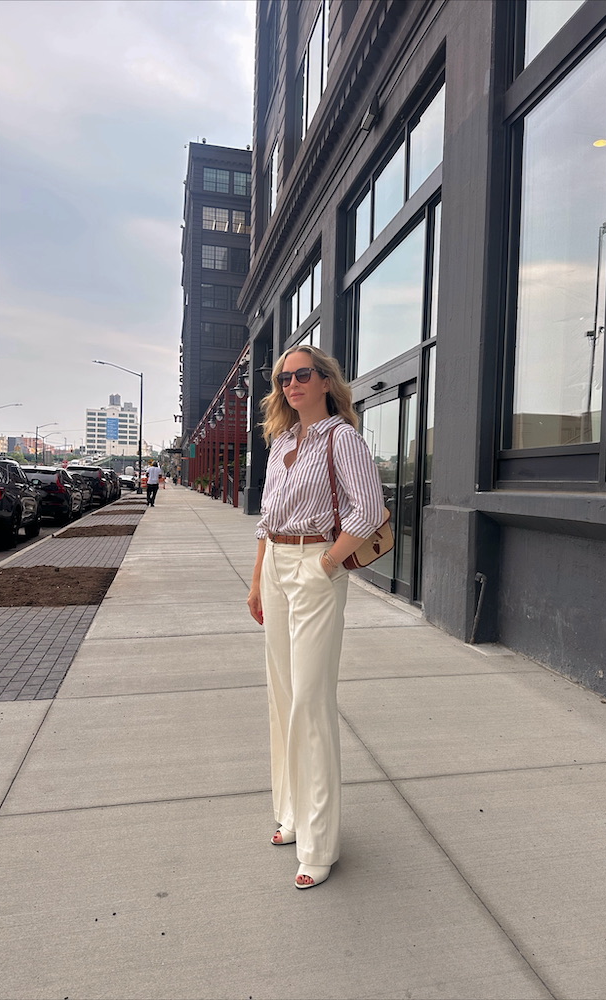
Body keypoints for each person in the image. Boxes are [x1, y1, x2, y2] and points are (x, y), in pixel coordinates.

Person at [247, 346, 384, 890]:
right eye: (284, 378)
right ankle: (292, 813)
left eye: (303, 375)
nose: (292, 385)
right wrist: (258, 578)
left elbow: (368, 511)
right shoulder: (281, 441)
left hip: (315, 565)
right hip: (277, 563)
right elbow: (265, 519)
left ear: (326, 381)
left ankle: (320, 842)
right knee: (281, 696)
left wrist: (325, 565)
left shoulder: (342, 437)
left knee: (310, 698)